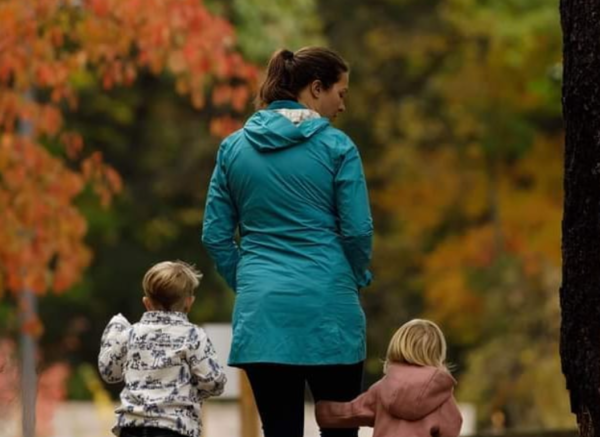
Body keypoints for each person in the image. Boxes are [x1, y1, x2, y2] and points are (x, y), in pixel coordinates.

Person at [202, 46, 373, 437]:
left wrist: (246, 279)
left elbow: (215, 235)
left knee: (279, 430)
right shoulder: (338, 148)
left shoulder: (233, 148)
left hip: (264, 314)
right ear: (315, 88)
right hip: (329, 306)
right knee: (341, 428)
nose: (342, 106)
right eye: (340, 93)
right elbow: (358, 231)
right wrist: (357, 273)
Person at [98, 260, 226, 437]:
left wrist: (114, 329)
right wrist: (195, 387)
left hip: (131, 427)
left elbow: (109, 372)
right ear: (189, 303)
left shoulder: (131, 334)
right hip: (175, 429)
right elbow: (214, 383)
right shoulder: (194, 336)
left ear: (146, 303)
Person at [315, 319, 463, 437]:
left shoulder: (383, 388)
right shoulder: (442, 397)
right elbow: (454, 424)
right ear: (438, 353)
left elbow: (351, 412)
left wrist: (321, 410)